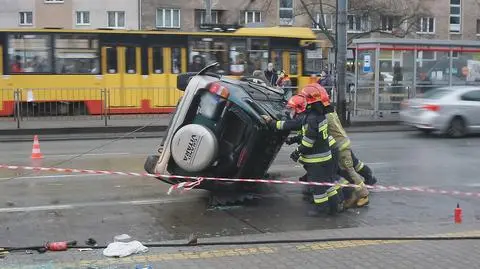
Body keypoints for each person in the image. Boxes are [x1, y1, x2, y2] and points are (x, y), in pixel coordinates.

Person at [264, 93, 344, 216]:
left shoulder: (308, 119)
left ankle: (321, 210)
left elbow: (308, 141)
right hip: (326, 156)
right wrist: (294, 139)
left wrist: (297, 152)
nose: (290, 111)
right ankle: (334, 207)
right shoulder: (316, 116)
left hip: (317, 159)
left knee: (318, 187)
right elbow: (306, 133)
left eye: (292, 108)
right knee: (327, 184)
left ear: (299, 107)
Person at [300, 84, 369, 208]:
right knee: (342, 172)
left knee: (350, 171)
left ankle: (363, 195)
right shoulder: (330, 110)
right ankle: (349, 193)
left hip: (341, 147)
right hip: (341, 145)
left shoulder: (323, 116)